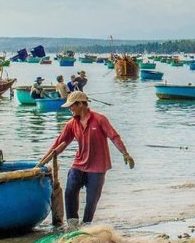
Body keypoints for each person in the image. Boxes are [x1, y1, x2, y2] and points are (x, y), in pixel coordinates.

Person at [36, 91, 134, 227]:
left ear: (81, 104)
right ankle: (72, 223)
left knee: (92, 199)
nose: (70, 109)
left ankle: (86, 224)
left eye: (72, 106)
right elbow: (58, 143)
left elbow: (114, 136)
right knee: (70, 190)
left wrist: (125, 153)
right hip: (79, 164)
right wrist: (42, 162)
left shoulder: (99, 119)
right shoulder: (72, 124)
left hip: (98, 166)